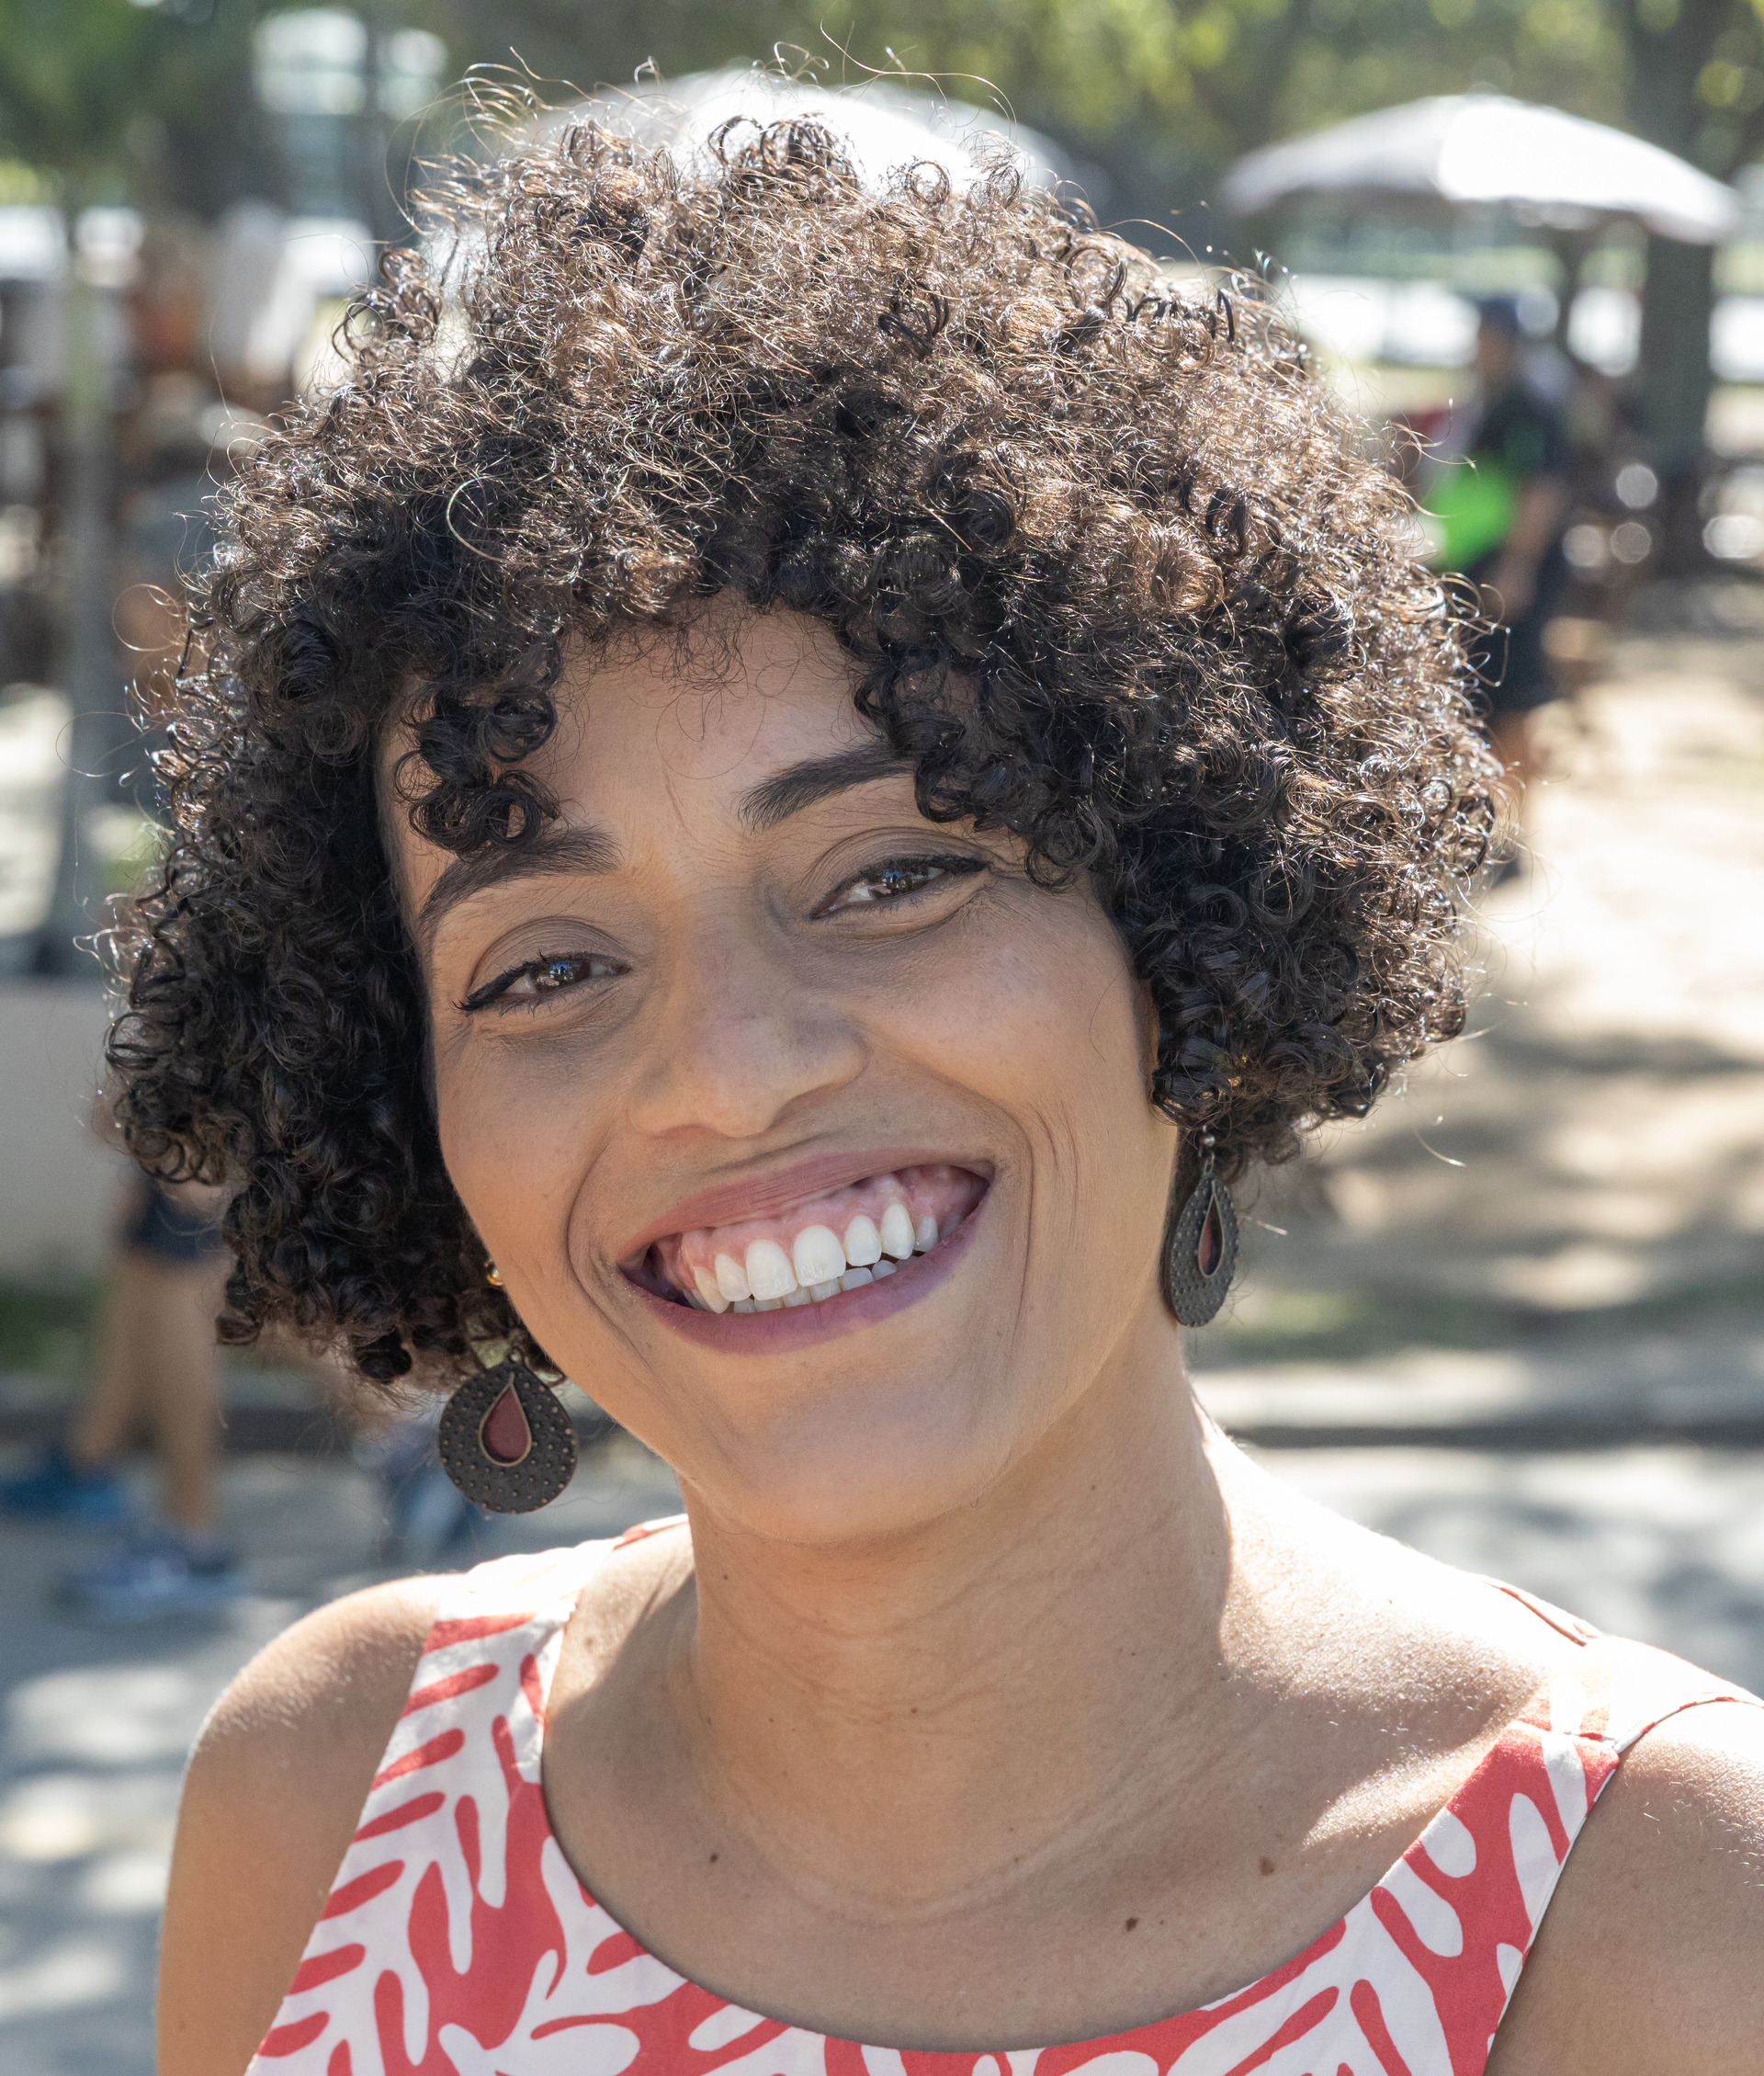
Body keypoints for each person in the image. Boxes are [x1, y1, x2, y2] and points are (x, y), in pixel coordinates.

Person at [110, 119, 1760, 2076]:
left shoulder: (1668, 1921)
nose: (726, 1069)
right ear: (406, 1095)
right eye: (545, 963)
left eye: (896, 872)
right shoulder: (328, 1805)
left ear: (1181, 913)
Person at [0, 1171, 246, 1617]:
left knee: (182, 1252)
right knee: (149, 1250)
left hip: (195, 1123)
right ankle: (87, 1463)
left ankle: (194, 1546)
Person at [1426, 299, 1570, 854]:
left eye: (1484, 336)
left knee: (1512, 699)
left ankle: (1515, 832)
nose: (1476, 347)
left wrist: (1518, 567)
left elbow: (1541, 490)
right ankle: (1490, 820)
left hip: (1512, 573)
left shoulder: (1529, 405)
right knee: (1481, 694)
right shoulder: (1495, 400)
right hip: (1481, 564)